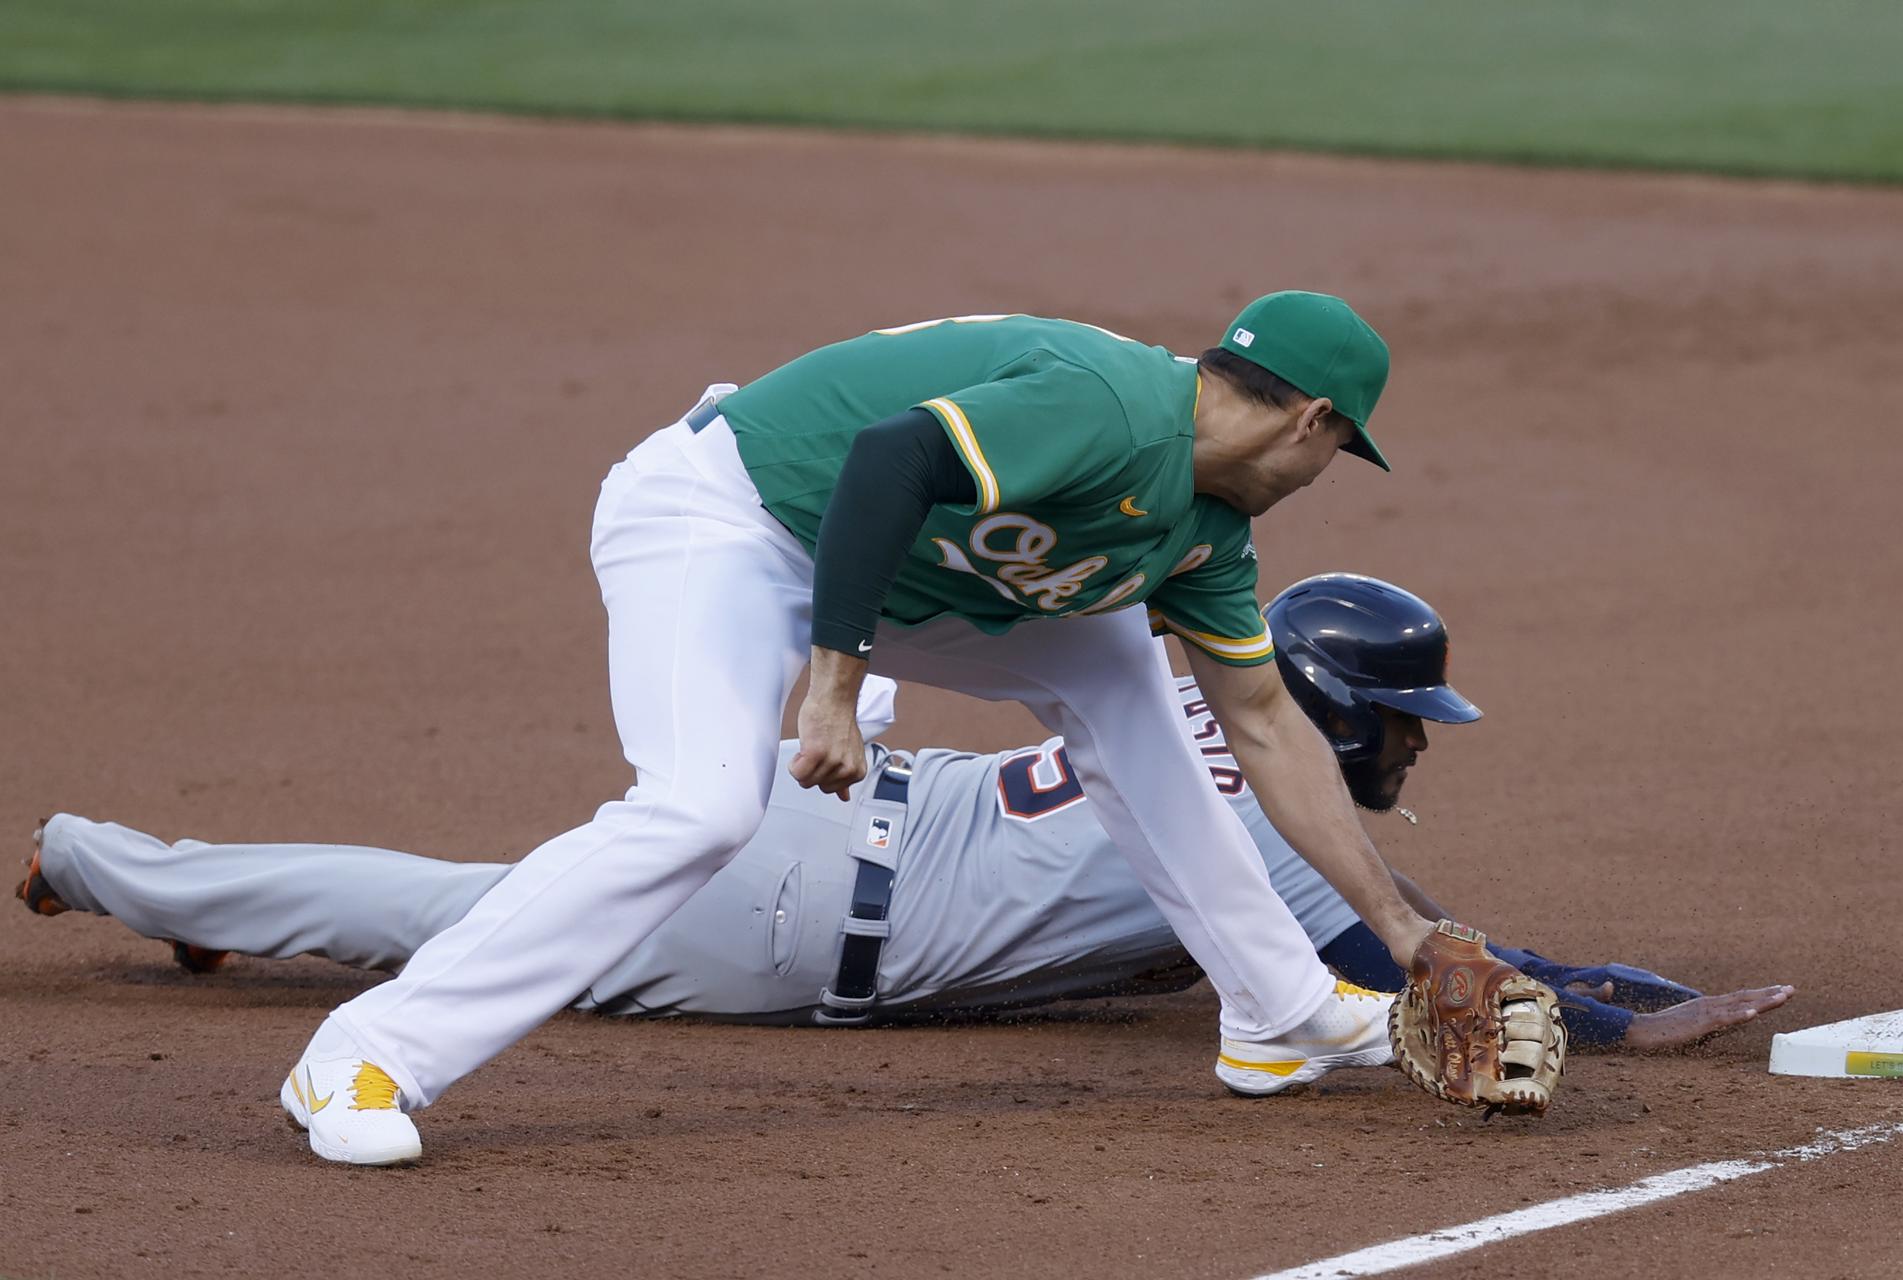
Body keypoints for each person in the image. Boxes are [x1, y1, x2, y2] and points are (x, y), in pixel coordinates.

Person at [66, 293, 1461, 1165]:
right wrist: (833, 685)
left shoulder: (1205, 532)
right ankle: (365, 1056)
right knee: (702, 807)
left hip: (915, 575)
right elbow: (890, 460)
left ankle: (1281, 1012)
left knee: (1126, 687)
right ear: (1318, 422)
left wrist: (1404, 942)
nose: (1329, 474)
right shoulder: (1111, 406)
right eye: (1342, 451)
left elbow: (1266, 723)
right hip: (728, 520)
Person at [22, 575, 1790, 1074]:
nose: (1416, 755)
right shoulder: (1267, 835)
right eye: (1402, 727)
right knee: (462, 925)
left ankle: (185, 897)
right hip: (784, 924)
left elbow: (1419, 919)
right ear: (1336, 717)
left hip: (859, 813)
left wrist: (1632, 982)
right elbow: (1431, 967)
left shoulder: (1224, 757)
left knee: (460, 897)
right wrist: (1642, 1021)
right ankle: (99, 861)